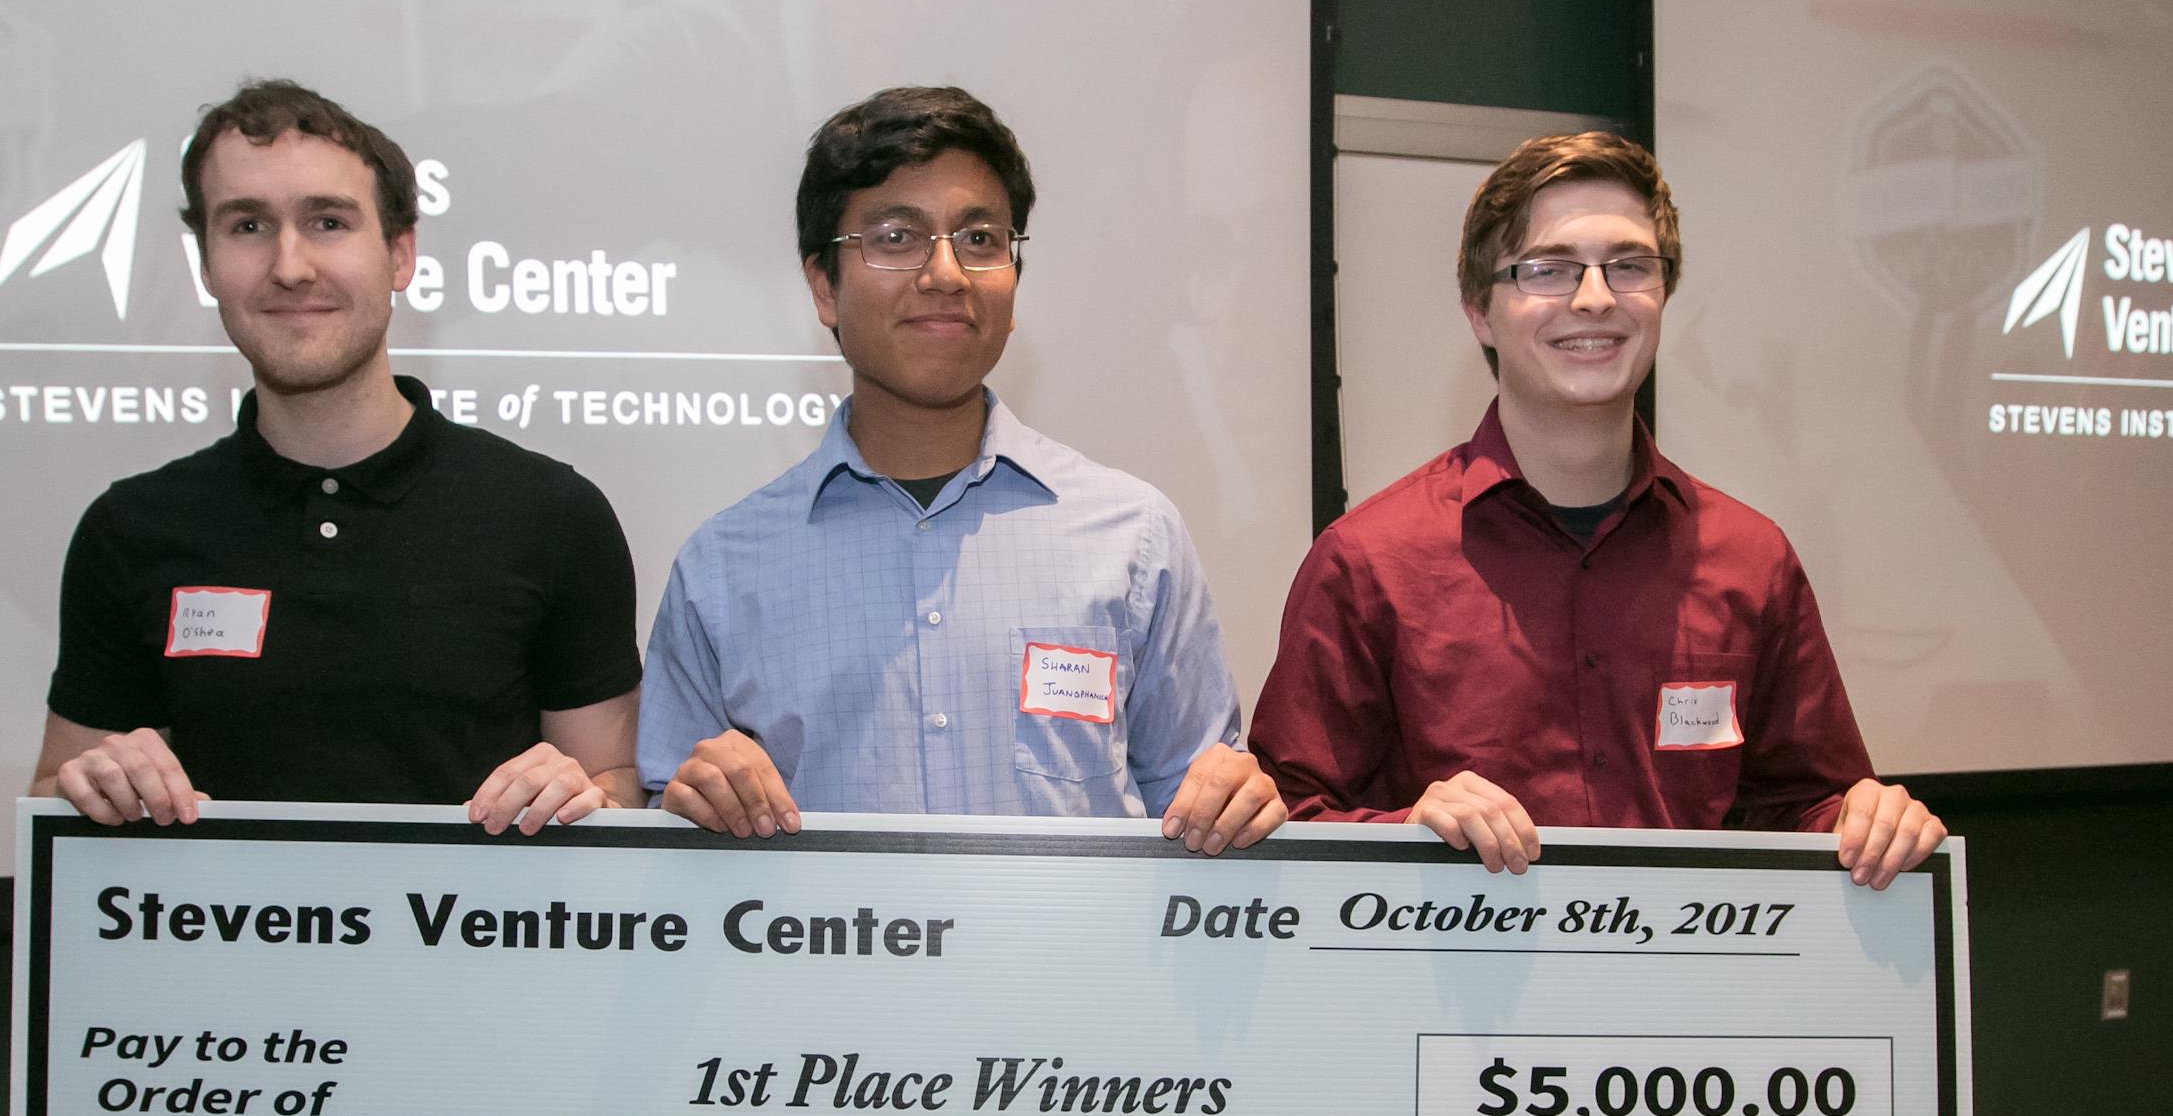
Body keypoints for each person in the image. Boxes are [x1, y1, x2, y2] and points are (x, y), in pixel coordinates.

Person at [1249, 132, 1943, 889]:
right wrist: (1405, 835)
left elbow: (1807, 804)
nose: (1595, 297)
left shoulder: (1752, 560)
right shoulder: (1371, 561)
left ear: (1664, 294)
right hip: (1453, 1001)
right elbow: (1286, 820)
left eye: (1629, 265)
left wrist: (1866, 820)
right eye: (1547, 269)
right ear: (1480, 312)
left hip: (1688, 997)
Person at [638, 86, 1280, 854]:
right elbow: (663, 864)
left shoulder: (1134, 538)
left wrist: (1236, 804)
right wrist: (686, 804)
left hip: (1074, 977)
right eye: (897, 237)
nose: (947, 273)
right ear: (822, 286)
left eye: (979, 239)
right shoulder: (722, 569)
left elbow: (1200, 805)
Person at [31, 79, 640, 834]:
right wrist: (85, 787)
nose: (290, 266)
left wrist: (588, 793)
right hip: (214, 951)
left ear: (399, 254)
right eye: (248, 225)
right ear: (206, 263)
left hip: (476, 951)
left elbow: (616, 785)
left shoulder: (551, 516)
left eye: (327, 221)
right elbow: (58, 792)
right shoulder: (129, 529)